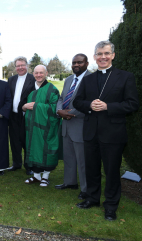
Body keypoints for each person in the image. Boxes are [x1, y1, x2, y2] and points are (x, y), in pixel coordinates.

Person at [73, 41, 139, 221]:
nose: (103, 57)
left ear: (113, 55)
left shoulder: (125, 77)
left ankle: (110, 206)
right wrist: (90, 105)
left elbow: (132, 104)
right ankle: (93, 199)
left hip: (113, 133)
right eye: (99, 54)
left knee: (111, 171)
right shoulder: (87, 79)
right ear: (94, 57)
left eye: (107, 53)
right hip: (91, 132)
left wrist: (108, 106)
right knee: (92, 169)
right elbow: (77, 102)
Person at [55, 54, 91, 200]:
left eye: (79, 62)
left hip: (80, 125)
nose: (76, 65)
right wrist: (59, 111)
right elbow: (62, 98)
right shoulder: (69, 79)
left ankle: (85, 189)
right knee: (69, 157)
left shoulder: (91, 79)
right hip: (66, 125)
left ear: (86, 63)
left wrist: (72, 113)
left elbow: (90, 103)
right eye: (74, 62)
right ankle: (70, 182)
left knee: (82, 160)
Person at [23, 65, 61, 187]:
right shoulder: (29, 88)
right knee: (33, 149)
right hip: (31, 127)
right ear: (33, 73)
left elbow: (55, 109)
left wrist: (36, 105)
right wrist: (24, 107)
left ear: (46, 73)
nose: (39, 75)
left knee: (45, 149)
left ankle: (45, 177)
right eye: (36, 73)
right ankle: (36, 176)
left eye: (41, 73)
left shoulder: (52, 89)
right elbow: (22, 104)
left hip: (46, 127)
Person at [8, 56, 36, 175]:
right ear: (15, 67)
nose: (20, 68)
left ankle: (28, 166)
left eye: (22, 65)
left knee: (27, 141)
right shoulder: (11, 79)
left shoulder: (33, 78)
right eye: (18, 65)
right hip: (13, 115)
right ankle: (16, 163)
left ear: (27, 66)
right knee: (14, 141)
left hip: (26, 115)